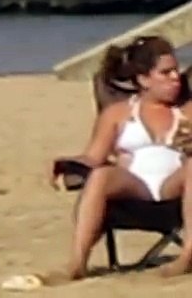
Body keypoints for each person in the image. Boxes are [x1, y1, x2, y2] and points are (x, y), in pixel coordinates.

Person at [35, 36, 190, 284]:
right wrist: (67, 164)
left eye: (176, 70)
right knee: (101, 176)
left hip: (177, 189)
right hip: (135, 188)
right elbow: (93, 157)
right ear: (144, 79)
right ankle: (77, 263)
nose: (176, 78)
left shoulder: (187, 111)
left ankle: (187, 255)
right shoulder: (118, 113)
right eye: (166, 72)